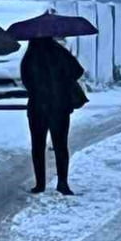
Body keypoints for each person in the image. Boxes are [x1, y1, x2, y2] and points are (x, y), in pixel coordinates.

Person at [20, 36, 87, 196]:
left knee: (38, 146)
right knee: (60, 145)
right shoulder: (59, 51)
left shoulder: (30, 55)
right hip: (59, 105)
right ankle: (62, 183)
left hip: (37, 106)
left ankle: (40, 184)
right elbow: (78, 71)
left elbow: (25, 79)